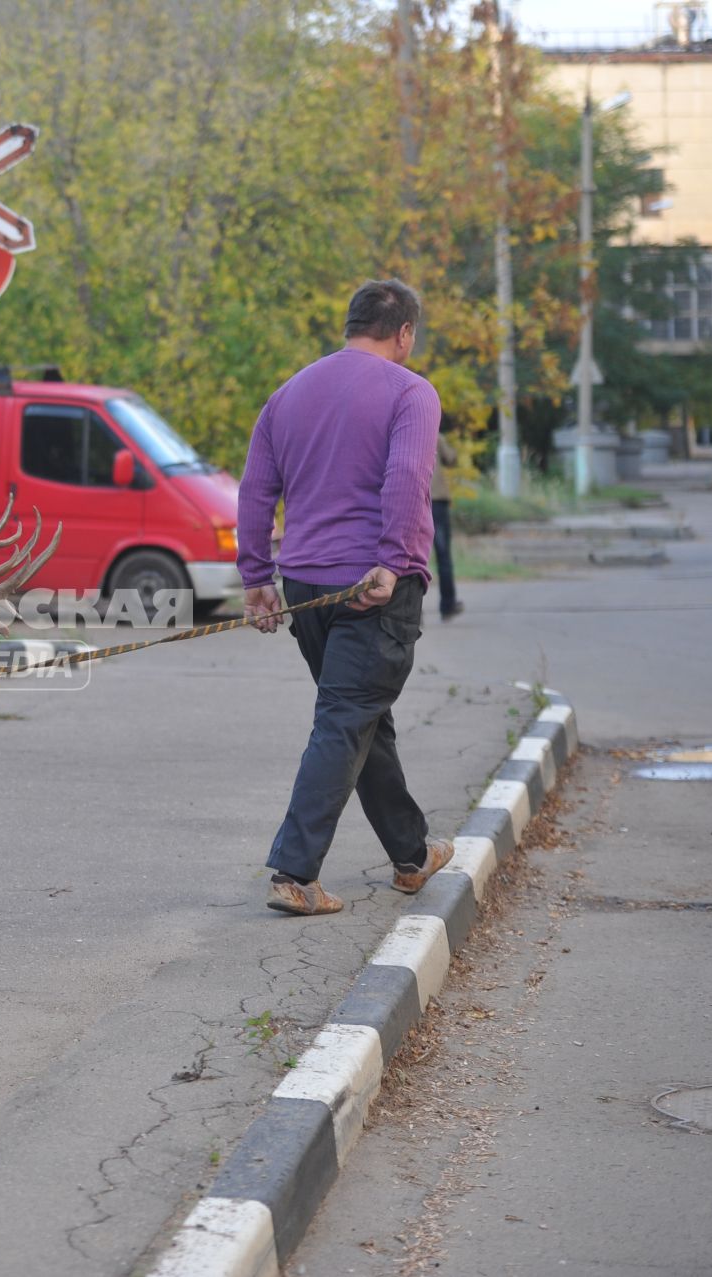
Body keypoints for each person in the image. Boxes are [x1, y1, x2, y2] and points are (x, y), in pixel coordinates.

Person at [236, 279, 454, 916]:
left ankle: (412, 855)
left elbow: (256, 491)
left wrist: (256, 579)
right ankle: (294, 874)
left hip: (305, 583)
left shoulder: (288, 393)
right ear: (405, 332)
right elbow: (408, 479)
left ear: (351, 324)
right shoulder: (411, 391)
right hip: (372, 585)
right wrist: (391, 560)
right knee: (345, 718)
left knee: (357, 716)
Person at [432, 433, 465, 621]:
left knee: (410, 559)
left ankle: (414, 612)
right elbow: (451, 459)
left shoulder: (401, 428)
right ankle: (448, 604)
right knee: (443, 555)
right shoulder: (436, 435)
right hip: (437, 500)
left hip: (414, 498)